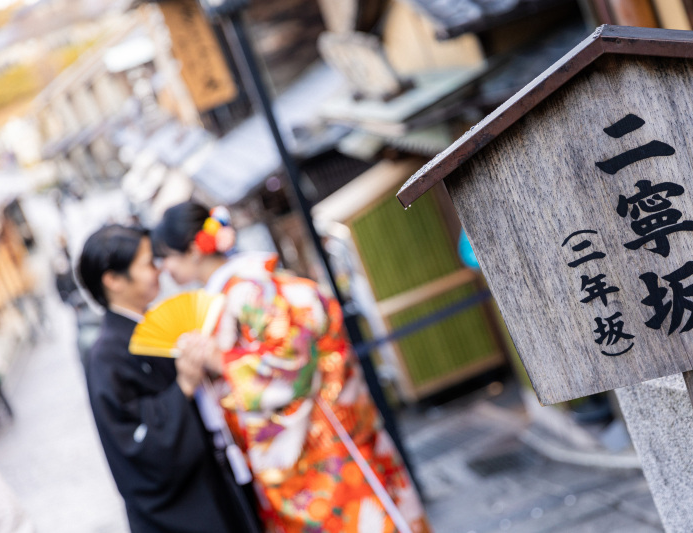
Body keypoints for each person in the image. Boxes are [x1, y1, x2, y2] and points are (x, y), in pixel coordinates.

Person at [153, 202, 430, 533]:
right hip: (311, 436)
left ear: (193, 249)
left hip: (317, 440)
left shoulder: (248, 290)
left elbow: (292, 363)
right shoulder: (240, 288)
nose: (164, 268)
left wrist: (220, 362)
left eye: (165, 257)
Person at [76, 224, 260, 533]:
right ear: (113, 280)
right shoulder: (106, 357)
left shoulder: (150, 328)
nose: (159, 269)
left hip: (215, 483)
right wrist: (183, 387)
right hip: (182, 514)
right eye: (148, 263)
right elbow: (134, 445)